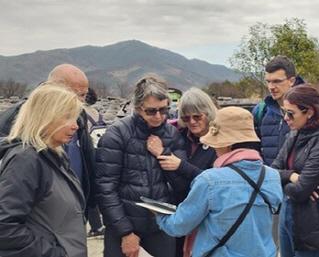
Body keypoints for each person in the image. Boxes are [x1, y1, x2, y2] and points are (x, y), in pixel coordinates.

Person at [156, 106, 283, 257]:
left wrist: (159, 214)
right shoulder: (273, 176)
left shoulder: (210, 181)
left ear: (227, 144)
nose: (214, 147)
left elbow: (179, 226)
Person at [96, 75, 185, 257]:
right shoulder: (117, 135)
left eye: (163, 110)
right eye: (151, 111)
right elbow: (105, 188)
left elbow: (181, 184)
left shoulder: (172, 134)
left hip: (161, 228)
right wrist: (125, 232)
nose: (159, 117)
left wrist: (163, 155)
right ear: (137, 108)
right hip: (124, 229)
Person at [0, 83, 87, 257]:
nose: (75, 125)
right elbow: (5, 227)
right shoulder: (26, 160)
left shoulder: (54, 155)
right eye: (67, 117)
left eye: (75, 118)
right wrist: (54, 254)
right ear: (45, 116)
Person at [0, 64, 96, 220]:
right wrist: (45, 243)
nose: (79, 101)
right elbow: (7, 218)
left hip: (71, 211)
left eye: (83, 95)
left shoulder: (79, 116)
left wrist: (90, 201)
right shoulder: (19, 127)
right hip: (45, 220)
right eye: (74, 94)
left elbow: (86, 158)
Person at [271, 84, 319, 257]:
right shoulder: (295, 133)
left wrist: (286, 180)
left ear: (309, 112)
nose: (286, 118)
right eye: (284, 111)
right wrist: (291, 176)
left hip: (312, 223)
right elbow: (271, 172)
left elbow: (301, 191)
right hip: (288, 215)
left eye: (290, 113)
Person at [147, 87, 218, 256]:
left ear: (208, 113)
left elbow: (216, 182)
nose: (192, 122)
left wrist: (179, 165)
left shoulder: (220, 142)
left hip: (206, 217)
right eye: (186, 117)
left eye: (197, 116)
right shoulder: (179, 135)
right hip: (180, 212)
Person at [83, 87, 106, 237]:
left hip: (88, 155)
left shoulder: (81, 114)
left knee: (86, 189)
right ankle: (97, 225)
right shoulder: (97, 113)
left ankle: (94, 225)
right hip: (100, 156)